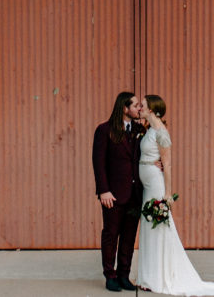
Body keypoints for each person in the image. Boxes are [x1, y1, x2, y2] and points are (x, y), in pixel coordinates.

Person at [136, 95, 214, 296]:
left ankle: (158, 277)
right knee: (147, 227)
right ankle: (148, 276)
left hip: (155, 186)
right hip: (146, 184)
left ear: (152, 110)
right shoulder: (150, 130)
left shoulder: (161, 133)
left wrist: (168, 195)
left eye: (143, 106)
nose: (140, 108)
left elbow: (167, 164)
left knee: (157, 228)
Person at [92, 91, 144, 292]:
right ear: (125, 108)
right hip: (112, 194)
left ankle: (124, 275)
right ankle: (110, 275)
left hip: (135, 194)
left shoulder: (140, 130)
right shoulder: (104, 130)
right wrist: (103, 190)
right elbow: (99, 163)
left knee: (129, 238)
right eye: (136, 105)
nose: (139, 108)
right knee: (111, 235)